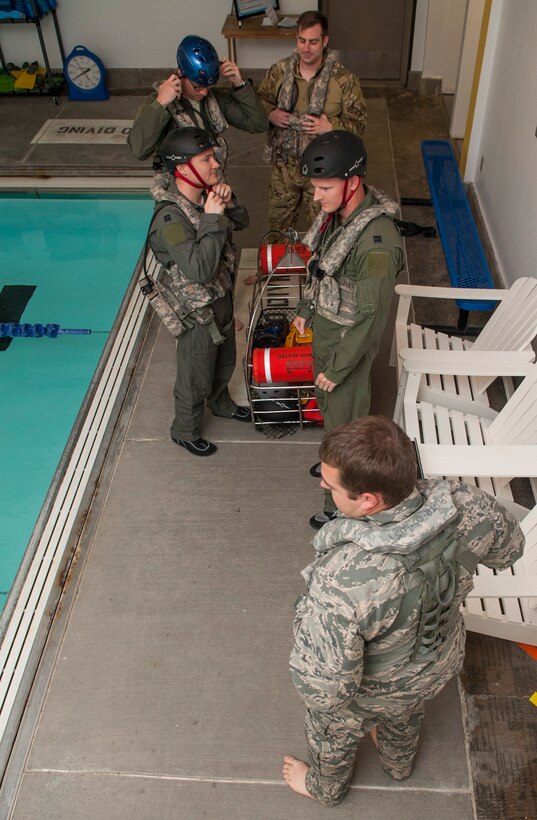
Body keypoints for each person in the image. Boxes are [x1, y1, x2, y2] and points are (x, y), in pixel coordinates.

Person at [283, 415, 525, 806]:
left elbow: (325, 692)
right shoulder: (467, 503)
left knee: (333, 731)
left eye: (331, 487)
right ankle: (398, 765)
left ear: (368, 500)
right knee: (406, 712)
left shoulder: (343, 578)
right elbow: (510, 551)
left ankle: (323, 788)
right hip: (439, 660)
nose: (324, 489)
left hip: (375, 689)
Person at [291, 130, 404, 528]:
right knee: (329, 413)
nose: (316, 197)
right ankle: (330, 470)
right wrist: (306, 308)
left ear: (352, 182)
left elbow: (371, 319)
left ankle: (336, 507)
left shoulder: (376, 244)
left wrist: (337, 369)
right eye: (315, 187)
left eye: (324, 187)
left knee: (346, 432)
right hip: (326, 333)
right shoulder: (338, 216)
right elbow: (323, 267)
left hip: (346, 350)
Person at [148, 126, 251, 457]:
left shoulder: (208, 198)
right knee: (195, 375)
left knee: (225, 362)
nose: (215, 164)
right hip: (196, 312)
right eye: (206, 159)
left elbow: (244, 219)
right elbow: (199, 269)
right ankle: (185, 429)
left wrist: (227, 201)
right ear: (182, 169)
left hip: (219, 298)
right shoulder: (170, 218)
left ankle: (220, 404)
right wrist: (212, 218)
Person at [257, 10, 367, 233]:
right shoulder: (279, 71)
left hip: (323, 172)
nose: (306, 48)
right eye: (302, 40)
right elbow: (260, 100)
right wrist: (270, 113)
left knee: (323, 231)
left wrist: (331, 127)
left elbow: (359, 123)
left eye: (313, 42)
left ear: (325, 41)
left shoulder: (343, 79)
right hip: (284, 168)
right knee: (277, 230)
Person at [128, 35, 268, 174]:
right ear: (181, 73)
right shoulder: (158, 102)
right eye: (197, 87)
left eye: (208, 86)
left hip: (210, 178)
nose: (204, 92)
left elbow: (258, 124)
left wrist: (239, 84)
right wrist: (160, 103)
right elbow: (139, 150)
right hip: (179, 185)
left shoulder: (215, 99)